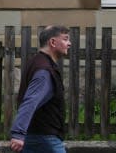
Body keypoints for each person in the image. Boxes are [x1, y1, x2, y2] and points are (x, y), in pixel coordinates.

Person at [9, 25, 71, 153]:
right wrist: (18, 133)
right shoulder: (44, 71)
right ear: (53, 42)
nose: (69, 43)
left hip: (35, 135)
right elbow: (31, 101)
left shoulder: (36, 61)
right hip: (45, 138)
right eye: (65, 39)